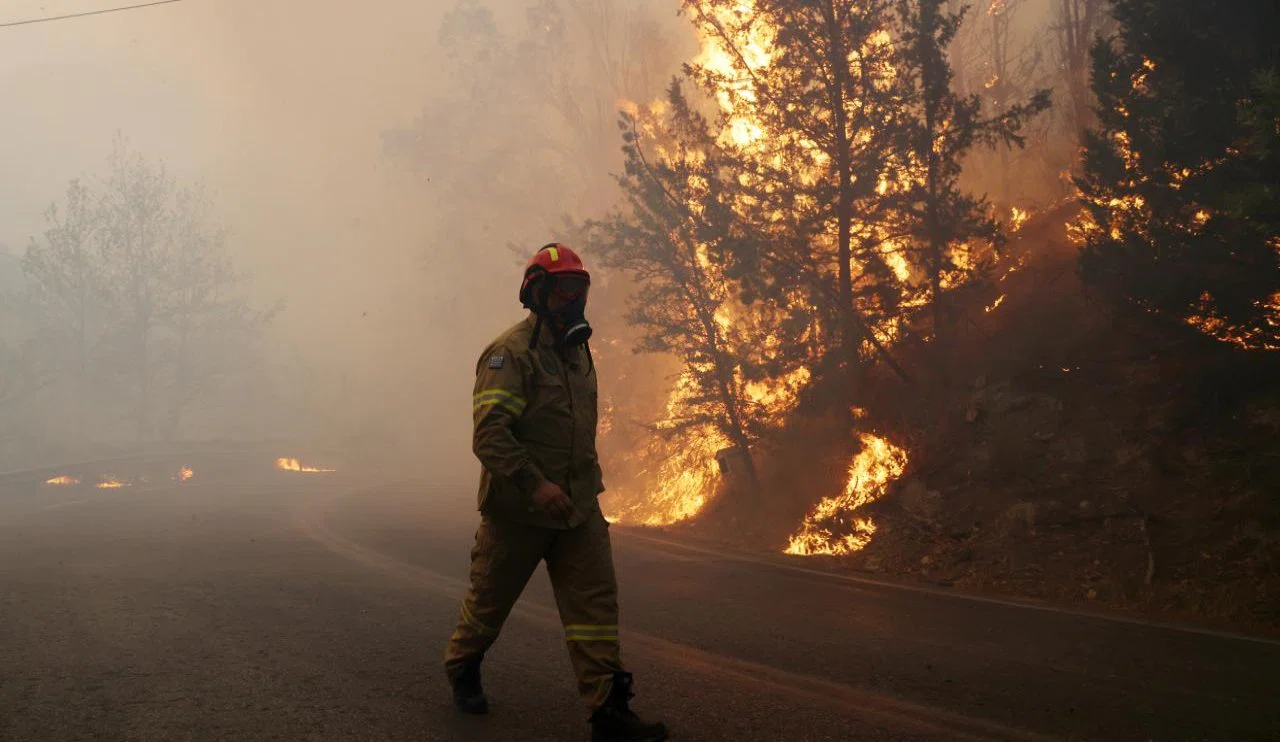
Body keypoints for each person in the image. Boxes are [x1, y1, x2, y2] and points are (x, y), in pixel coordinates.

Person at [444, 243, 668, 742]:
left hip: (578, 508)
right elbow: (490, 435)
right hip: (519, 512)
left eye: (580, 288)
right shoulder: (509, 355)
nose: (574, 299)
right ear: (536, 293)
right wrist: (534, 484)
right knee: (488, 603)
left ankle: (608, 711)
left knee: (595, 610)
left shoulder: (579, 354)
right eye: (564, 288)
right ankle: (463, 664)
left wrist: (581, 489)